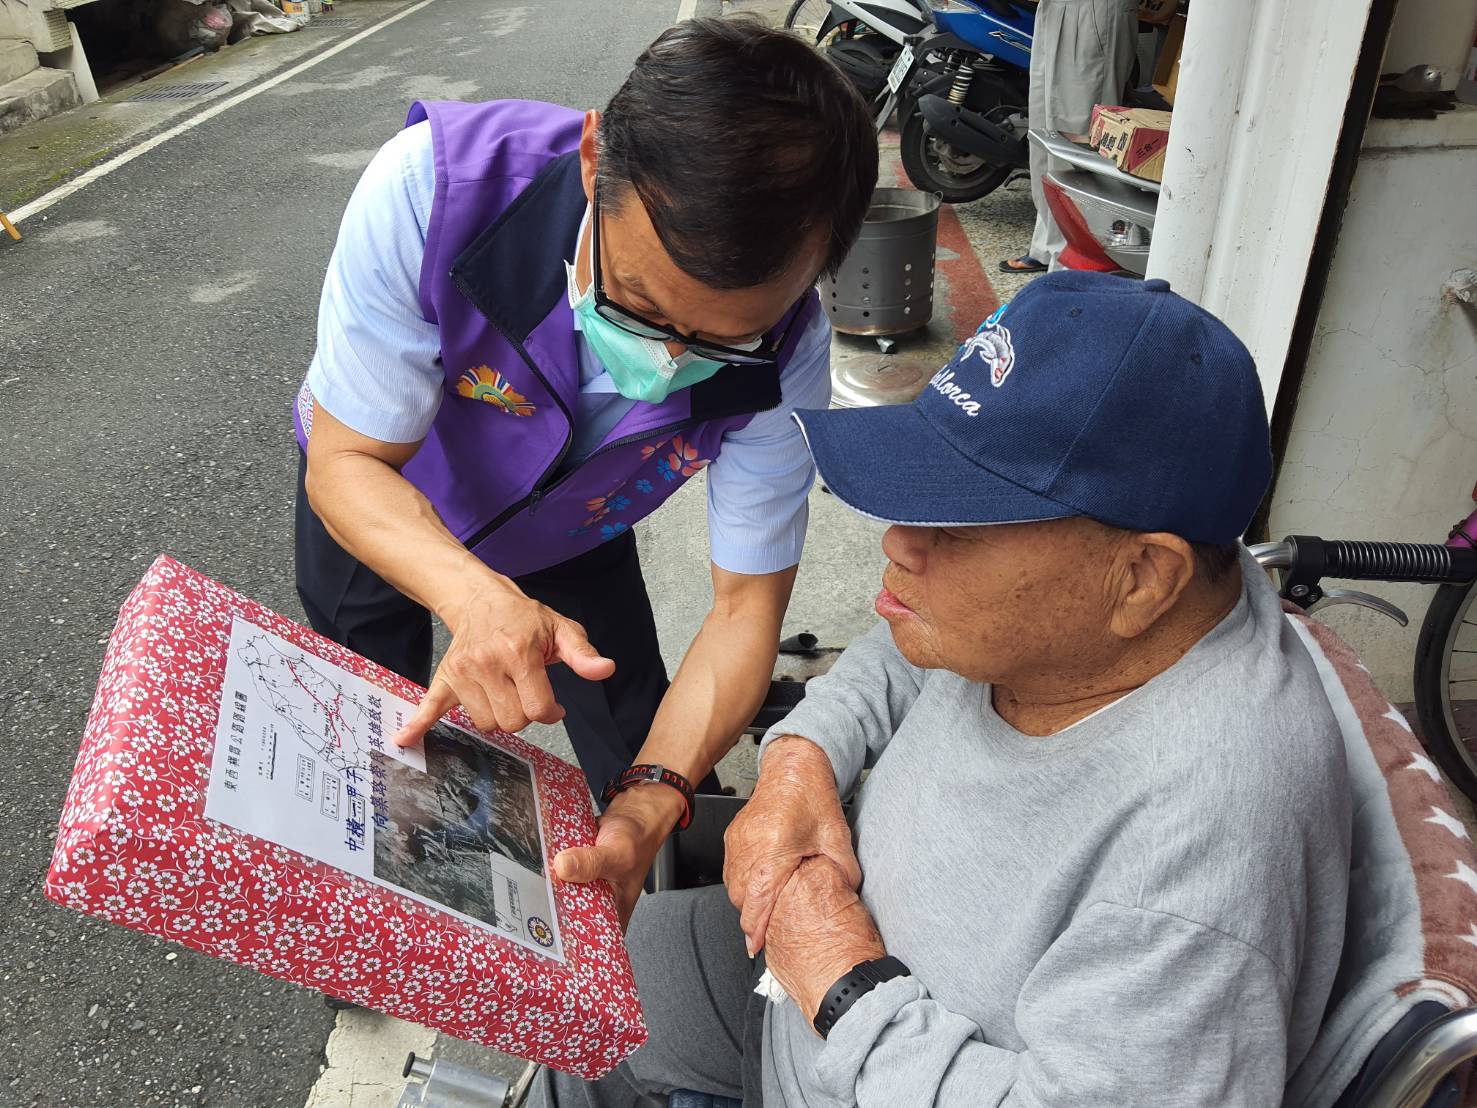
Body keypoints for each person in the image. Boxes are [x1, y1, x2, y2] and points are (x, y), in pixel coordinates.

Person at [541, 273, 1352, 1105]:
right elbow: (903, 648)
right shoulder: (1098, 621)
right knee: (560, 986)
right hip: (780, 988)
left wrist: (836, 978)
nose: (897, 543)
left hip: (838, 1025)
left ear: (1143, 576)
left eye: (955, 527)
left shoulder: (1206, 849)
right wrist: (798, 761)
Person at [293, 18, 878, 917]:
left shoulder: (789, 351)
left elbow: (743, 609)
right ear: (593, 156)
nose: (664, 362)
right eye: (637, 303)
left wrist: (656, 795)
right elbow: (349, 463)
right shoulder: (434, 187)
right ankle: (380, 930)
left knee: (640, 732)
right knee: (372, 732)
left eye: (723, 339)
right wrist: (474, 596)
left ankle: (652, 904)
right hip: (386, 503)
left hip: (577, 522)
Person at [1001, 0, 1139, 273]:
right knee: (1044, 133)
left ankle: (1074, 259)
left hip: (1092, 11)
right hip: (1055, 8)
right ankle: (1048, 245)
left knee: (1077, 134)